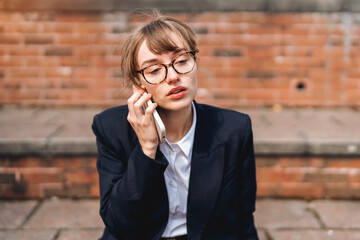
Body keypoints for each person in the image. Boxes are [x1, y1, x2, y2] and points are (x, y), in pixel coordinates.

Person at [92, 11, 258, 240]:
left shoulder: (233, 129)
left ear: (195, 62)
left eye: (181, 61)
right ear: (138, 83)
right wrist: (147, 150)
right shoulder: (111, 128)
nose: (172, 77)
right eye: (154, 70)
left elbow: (243, 217)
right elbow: (118, 224)